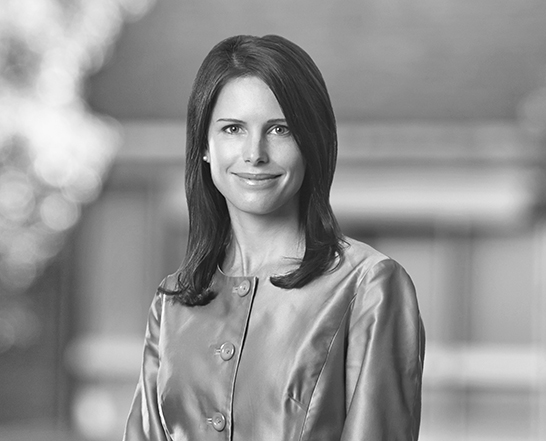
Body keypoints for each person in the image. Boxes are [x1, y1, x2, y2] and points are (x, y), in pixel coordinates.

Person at [123, 34, 425, 441]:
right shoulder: (173, 302)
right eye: (233, 128)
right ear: (205, 146)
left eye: (280, 129)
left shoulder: (370, 286)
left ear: (311, 142)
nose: (254, 153)